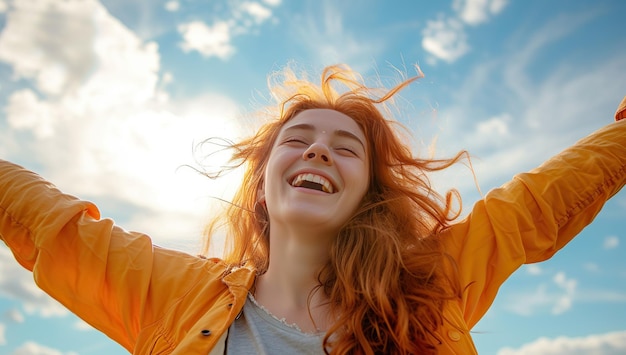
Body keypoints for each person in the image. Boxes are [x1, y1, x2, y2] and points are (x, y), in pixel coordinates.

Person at [1, 64, 625, 354]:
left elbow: (538, 204)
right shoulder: (174, 295)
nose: (319, 151)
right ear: (264, 179)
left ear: (368, 193)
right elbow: (52, 226)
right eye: (297, 141)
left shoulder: (431, 284)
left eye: (345, 147)